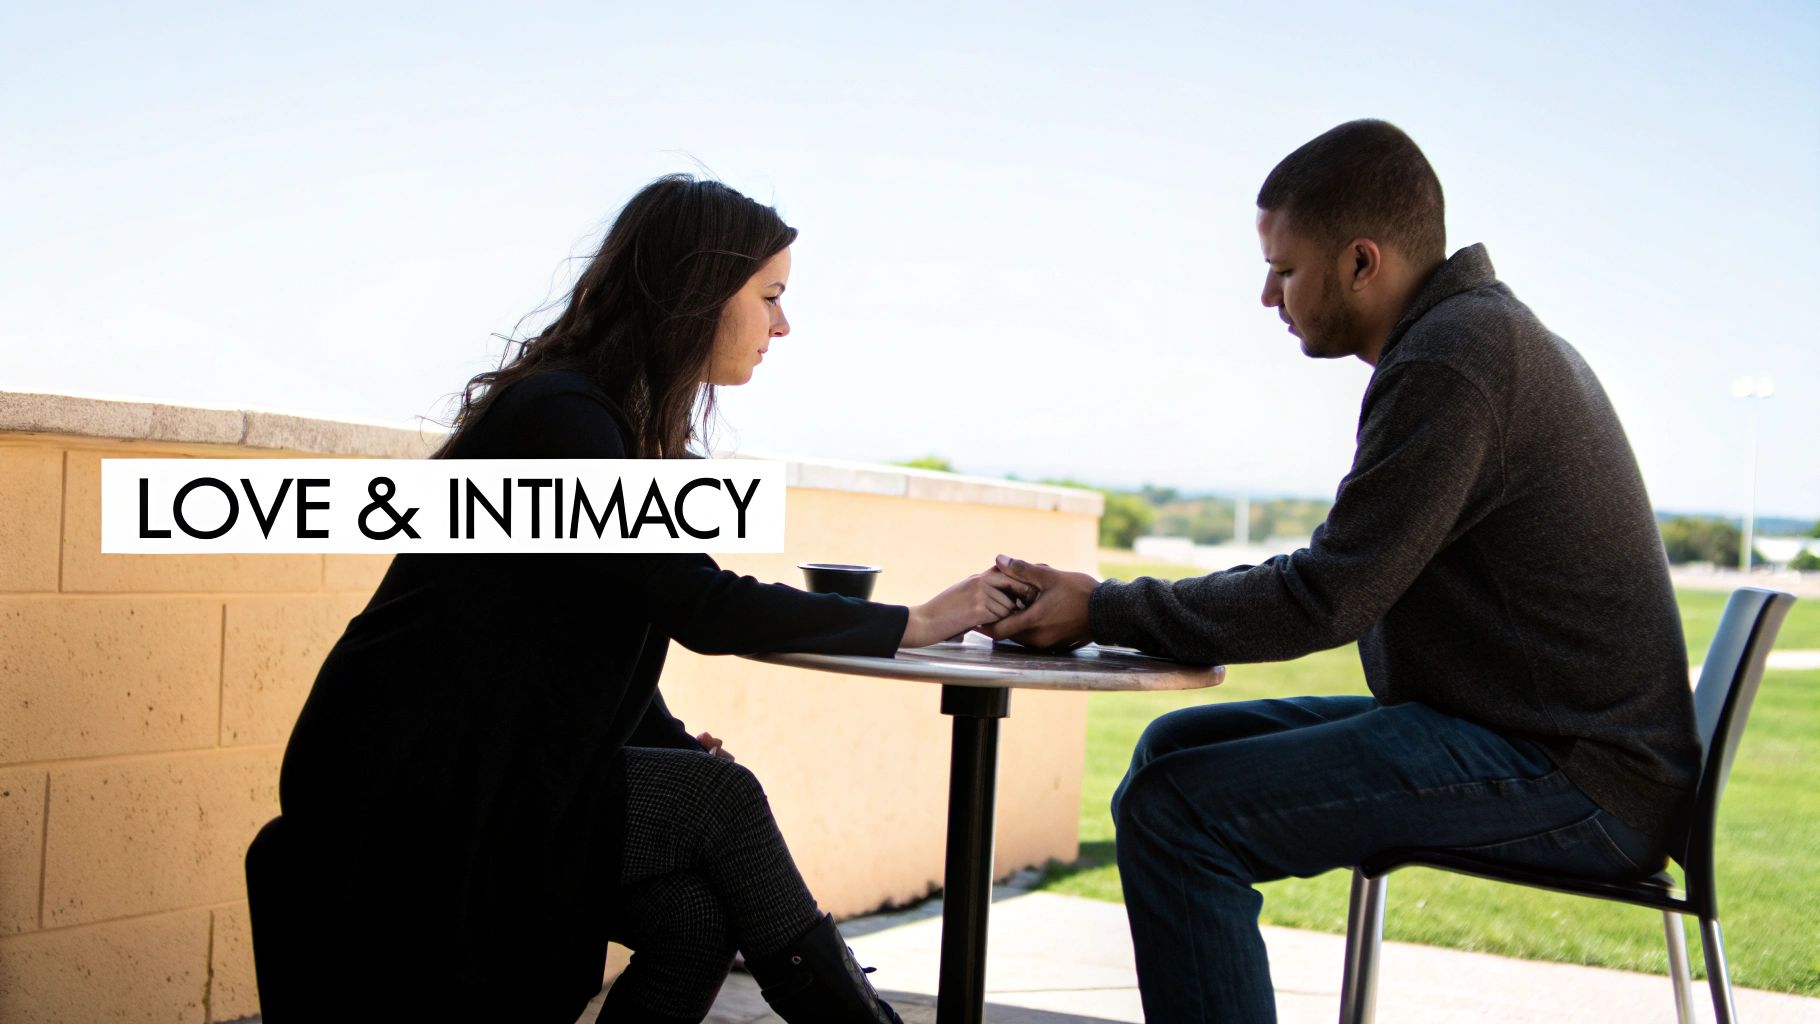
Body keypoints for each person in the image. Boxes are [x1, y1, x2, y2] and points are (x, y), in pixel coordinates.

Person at [256, 175, 1031, 1024]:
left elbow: (582, 630)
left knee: (694, 920)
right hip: (416, 781)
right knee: (722, 804)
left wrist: (664, 741)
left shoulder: (598, 420)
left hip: (495, 765)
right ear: (698, 294)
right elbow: (692, 602)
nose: (783, 325)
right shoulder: (561, 418)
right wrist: (916, 621)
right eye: (770, 296)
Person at [981, 120, 1701, 1021]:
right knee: (1174, 752)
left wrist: (1103, 610)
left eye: (1284, 271)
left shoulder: (1456, 357)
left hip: (1576, 776)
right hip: (1536, 735)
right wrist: (1108, 608)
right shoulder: (1468, 336)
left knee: (1179, 810)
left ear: (1362, 262)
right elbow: (1340, 573)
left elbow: (1326, 597)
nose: (1265, 296)